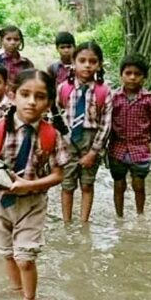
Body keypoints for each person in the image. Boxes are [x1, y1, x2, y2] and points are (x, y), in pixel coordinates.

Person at [0, 69, 69, 300]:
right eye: (25, 94)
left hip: (32, 203)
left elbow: (59, 174)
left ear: (49, 103)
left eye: (40, 97)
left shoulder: (51, 135)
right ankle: (16, 292)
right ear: (12, 95)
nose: (31, 102)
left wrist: (29, 185)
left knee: (25, 258)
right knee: (7, 254)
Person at [57, 41, 113, 223]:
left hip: (91, 141)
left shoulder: (103, 91)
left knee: (87, 184)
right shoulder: (64, 88)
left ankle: (84, 223)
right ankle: (67, 223)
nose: (87, 65)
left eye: (92, 61)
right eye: (82, 61)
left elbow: (106, 124)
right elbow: (56, 116)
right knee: (67, 185)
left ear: (99, 64)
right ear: (73, 62)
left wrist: (94, 152)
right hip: (67, 141)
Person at [108, 54, 151, 217]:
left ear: (144, 77)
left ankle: (140, 215)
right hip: (117, 148)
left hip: (140, 149)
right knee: (118, 184)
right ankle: (119, 216)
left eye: (137, 74)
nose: (132, 77)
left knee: (139, 184)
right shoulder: (113, 98)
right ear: (121, 75)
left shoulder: (150, 100)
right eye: (128, 73)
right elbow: (107, 123)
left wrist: (144, 142)